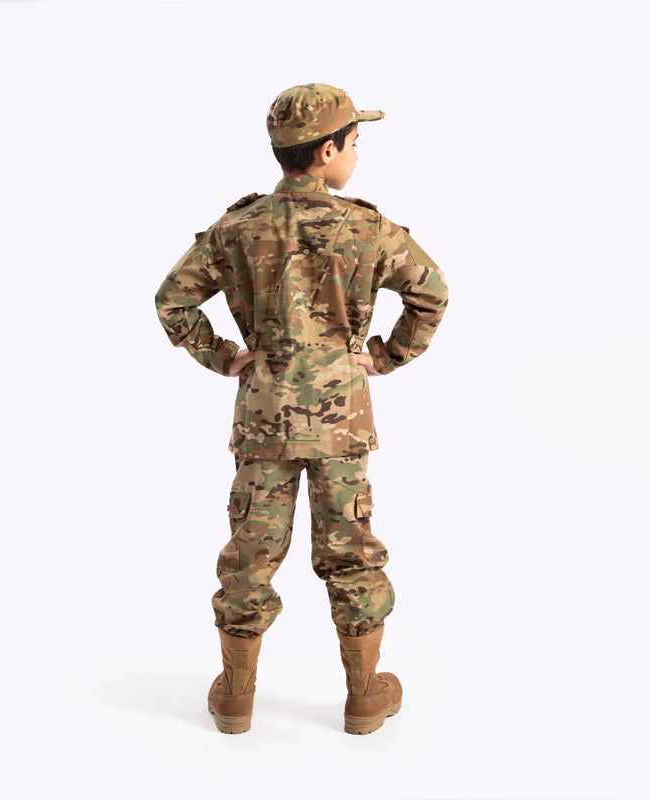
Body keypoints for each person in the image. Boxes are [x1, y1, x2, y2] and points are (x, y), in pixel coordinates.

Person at [154, 83, 448, 735]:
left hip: (265, 418)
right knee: (352, 551)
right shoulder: (368, 228)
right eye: (354, 142)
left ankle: (235, 698)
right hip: (342, 421)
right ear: (326, 151)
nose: (356, 155)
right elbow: (432, 293)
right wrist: (386, 356)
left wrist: (223, 356)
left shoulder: (237, 227)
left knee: (251, 552)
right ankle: (365, 695)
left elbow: (172, 300)